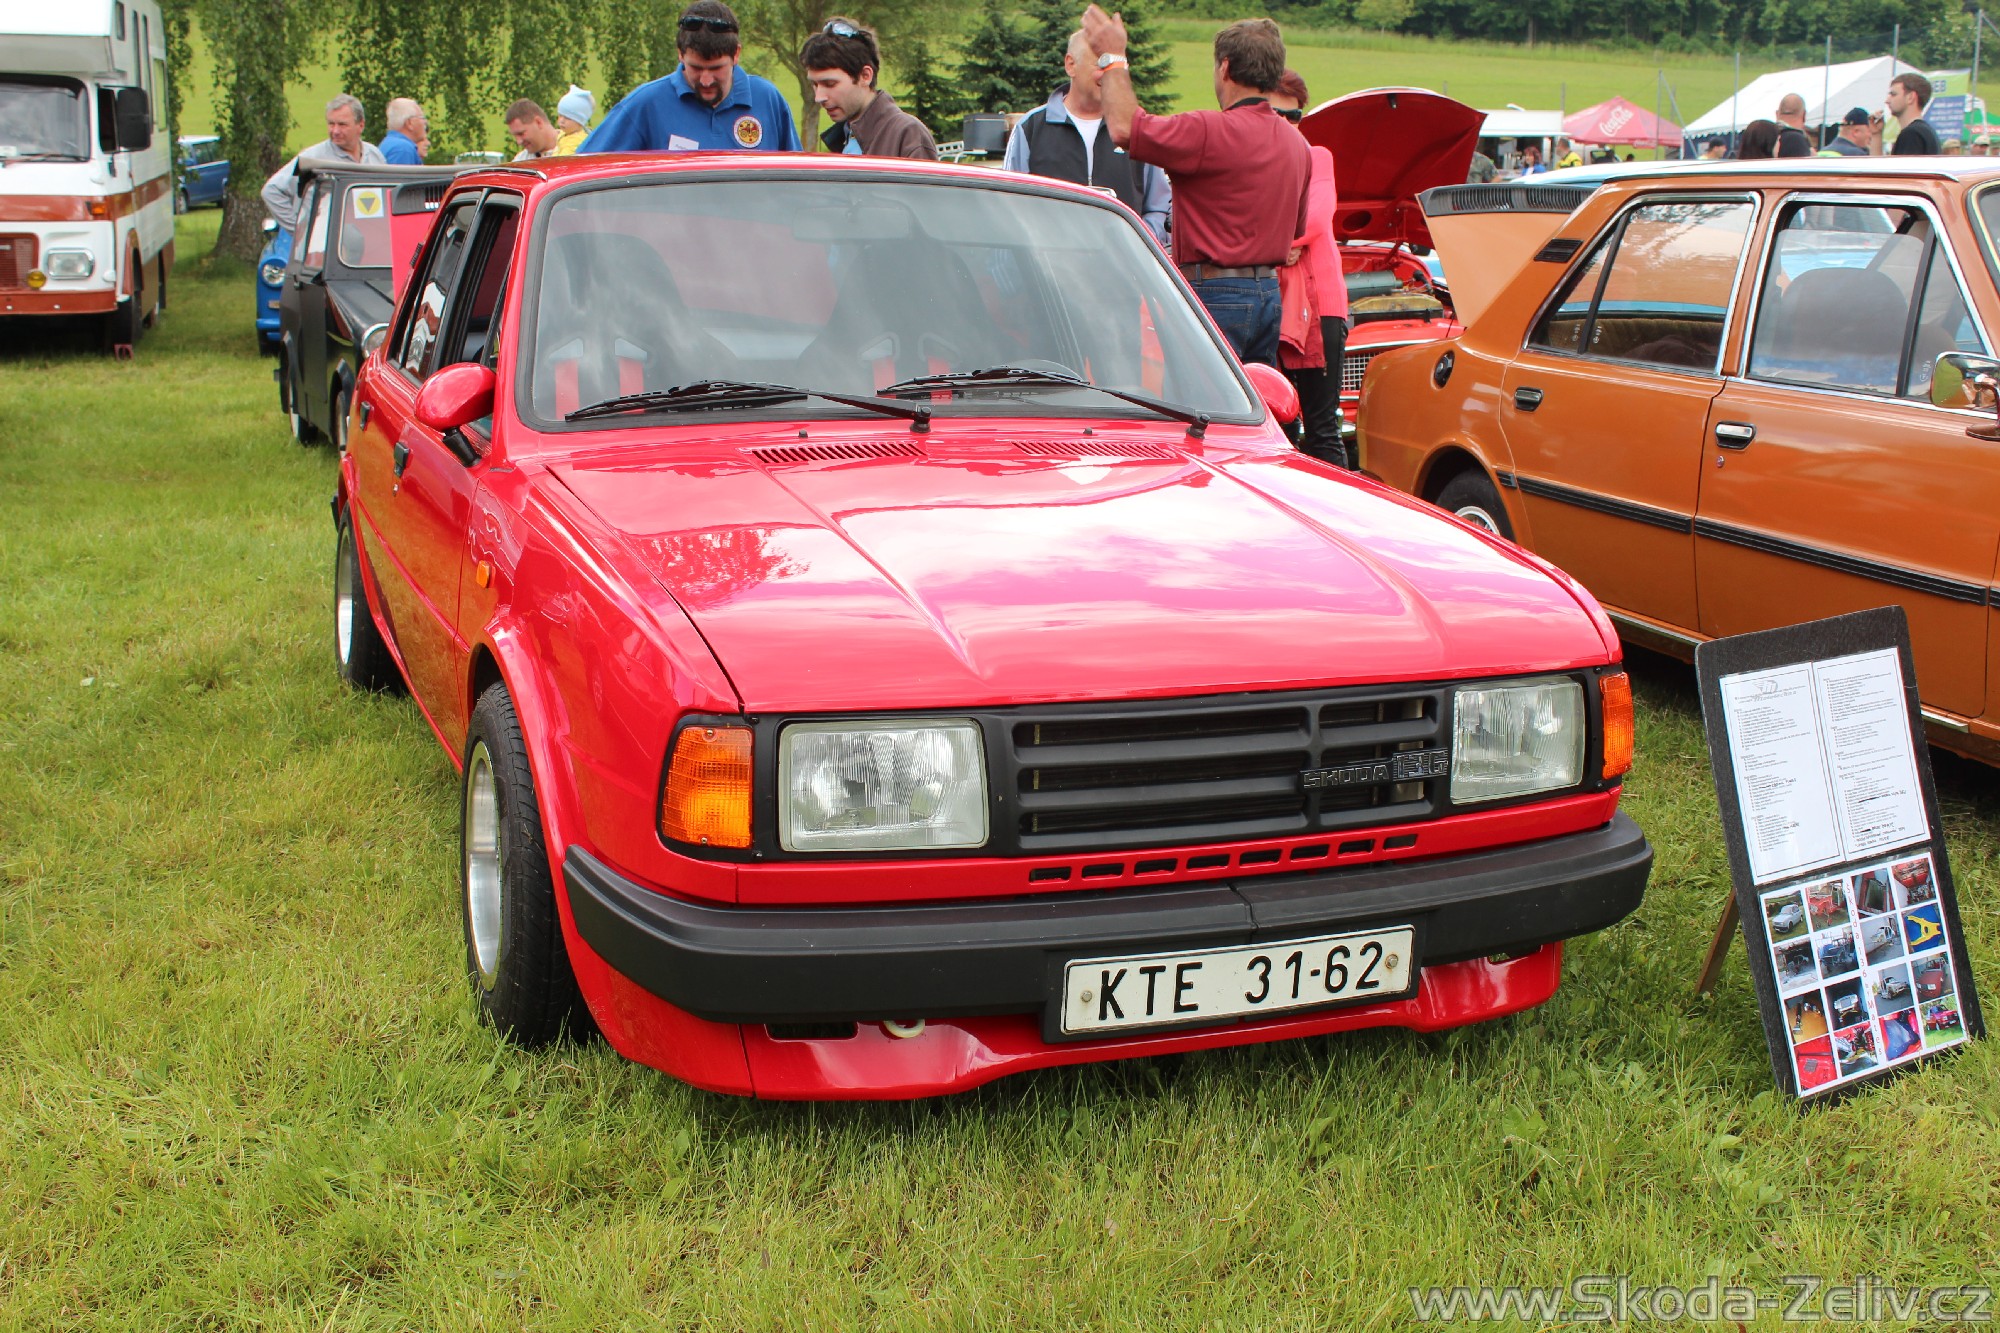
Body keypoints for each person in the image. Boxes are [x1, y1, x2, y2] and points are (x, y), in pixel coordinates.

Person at [1080, 7, 1310, 367]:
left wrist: (1114, 60)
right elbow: (1296, 229)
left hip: (1215, 292)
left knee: (1201, 396)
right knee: (1252, 396)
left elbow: (1124, 128)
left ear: (1225, 68)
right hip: (1268, 292)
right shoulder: (1298, 145)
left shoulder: (1207, 130)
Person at [1003, 29, 1171, 243]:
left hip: (1121, 263)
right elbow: (1008, 206)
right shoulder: (1031, 128)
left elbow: (1158, 209)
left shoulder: (1137, 129)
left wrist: (1136, 245)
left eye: (1116, 66)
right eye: (1101, 64)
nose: (1108, 75)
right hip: (1048, 262)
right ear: (1070, 65)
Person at [581, 0, 801, 153]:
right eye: (695, 68)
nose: (706, 80)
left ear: (736, 54)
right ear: (680, 54)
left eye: (716, 68)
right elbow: (585, 167)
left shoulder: (768, 100)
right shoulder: (646, 104)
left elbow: (796, 180)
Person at [1268, 69, 1348, 467]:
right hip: (1272, 299)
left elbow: (1315, 220)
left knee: (1322, 426)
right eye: (1277, 114)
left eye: (1294, 115)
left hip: (1322, 305)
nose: (1287, 123)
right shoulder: (1255, 163)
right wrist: (1277, 249)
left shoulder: (1318, 157)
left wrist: (1272, 245)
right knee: (1275, 424)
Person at [800, 17, 937, 159]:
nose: (819, 97)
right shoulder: (846, 136)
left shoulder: (908, 135)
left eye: (830, 84)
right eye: (815, 85)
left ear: (865, 76)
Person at [261, 94, 386, 230]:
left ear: (361, 125)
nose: (335, 131)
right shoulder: (313, 160)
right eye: (331, 124)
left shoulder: (374, 155)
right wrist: (300, 232)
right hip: (328, 240)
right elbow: (271, 191)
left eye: (342, 124)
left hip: (370, 236)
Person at [1871, 72, 1940, 155]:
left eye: (1893, 94)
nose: (1887, 101)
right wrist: (1876, 134)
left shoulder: (1912, 134)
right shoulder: (1925, 132)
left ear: (1910, 97)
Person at [379, 98, 427, 164]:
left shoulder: (390, 143)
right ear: (409, 123)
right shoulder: (403, 149)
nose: (425, 122)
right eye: (422, 118)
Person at [555, 84, 595, 155]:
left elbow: (560, 159)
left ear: (579, 122)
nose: (561, 120)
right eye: (560, 115)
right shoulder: (567, 133)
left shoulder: (576, 141)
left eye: (567, 118)